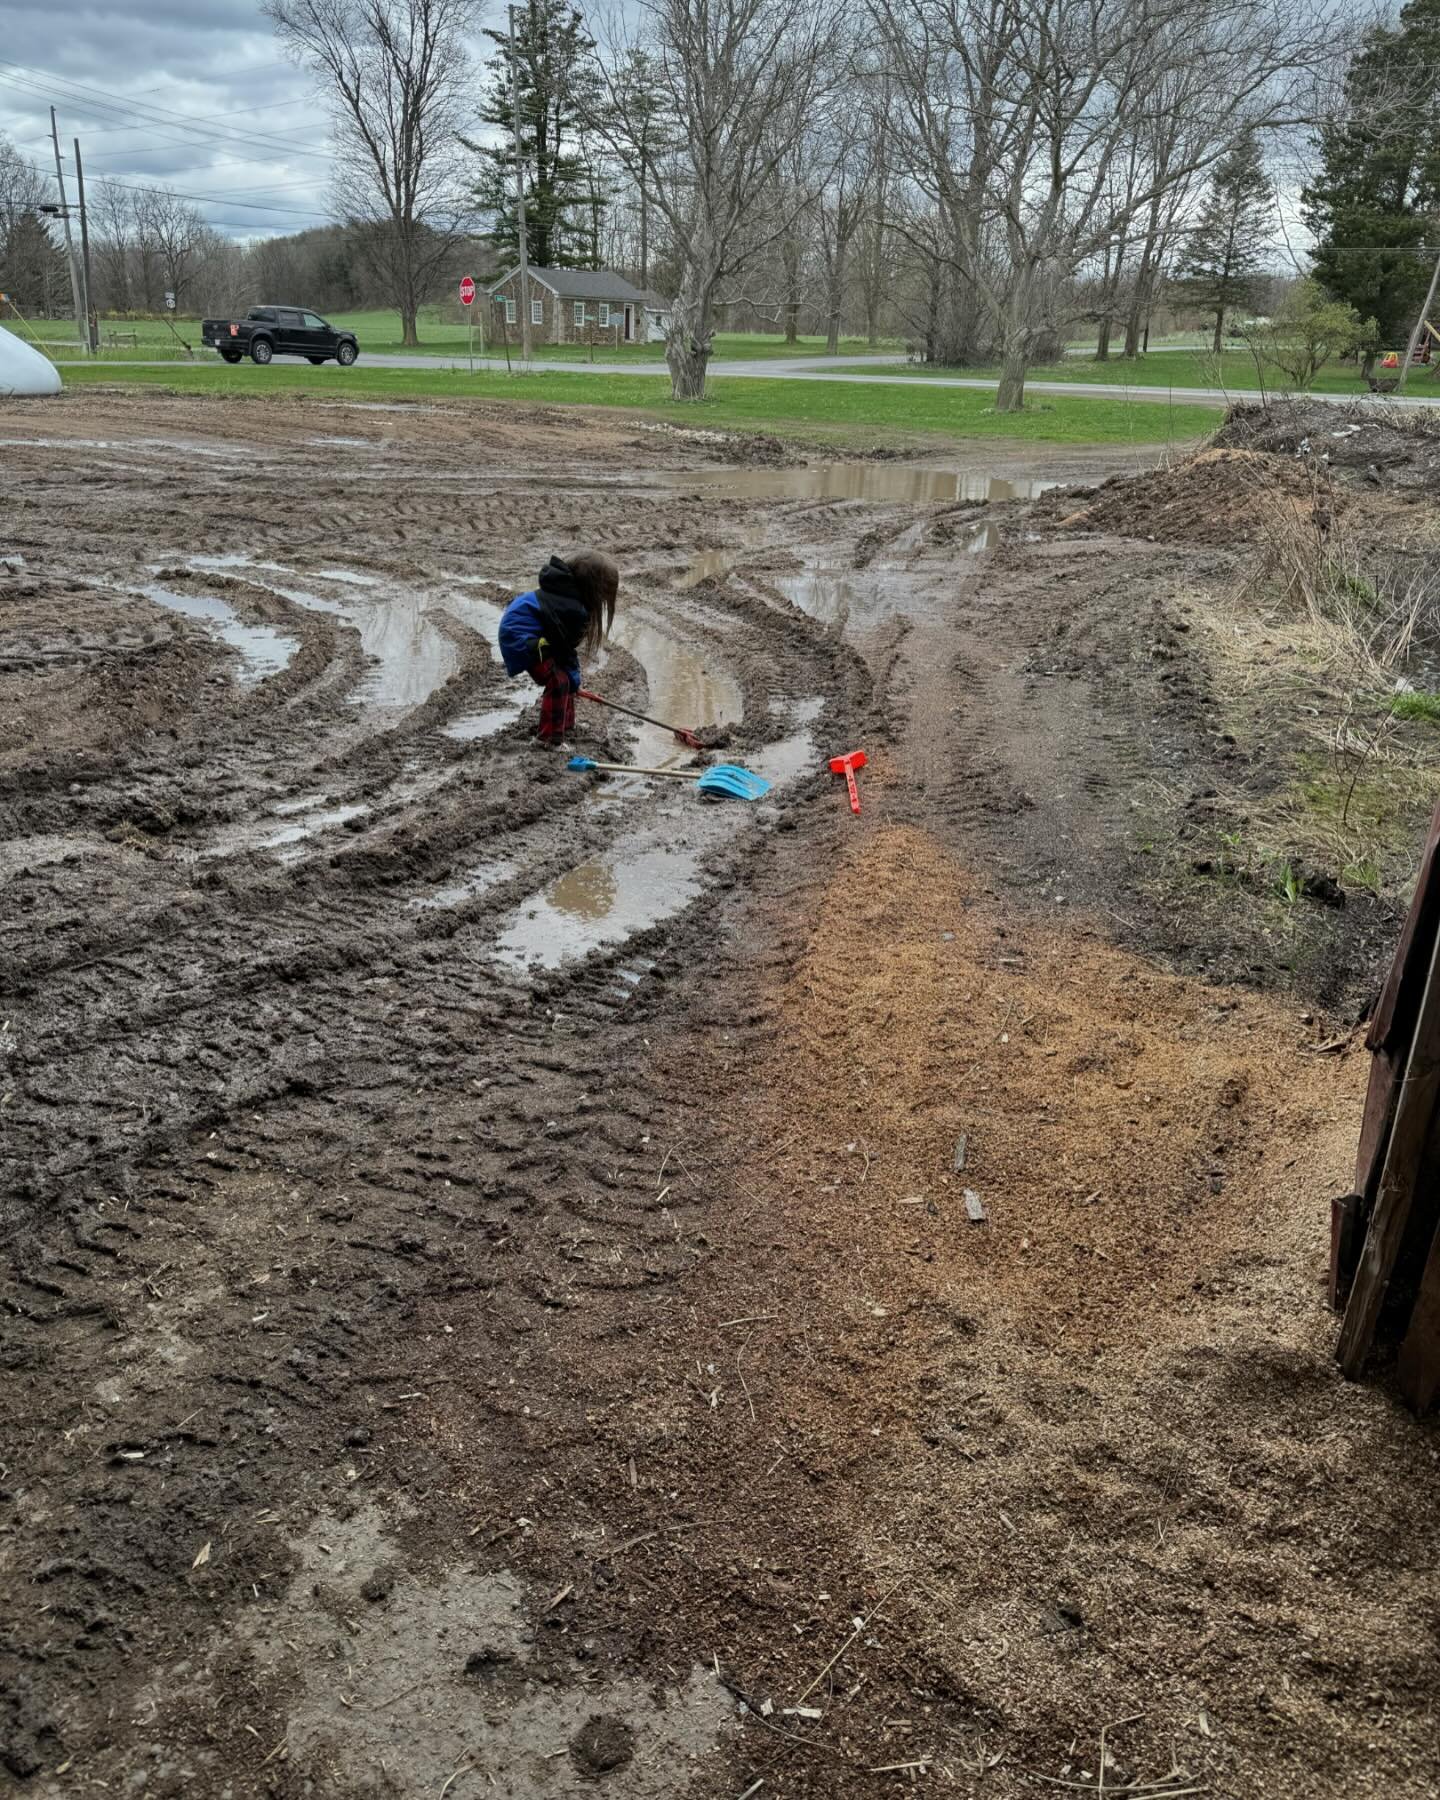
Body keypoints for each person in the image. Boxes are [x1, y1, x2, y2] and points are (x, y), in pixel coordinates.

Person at [498, 551, 619, 744]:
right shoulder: (570, 609)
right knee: (559, 680)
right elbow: (564, 649)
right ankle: (548, 739)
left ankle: (565, 725)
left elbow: (564, 650)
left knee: (565, 678)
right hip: (521, 640)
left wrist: (574, 681)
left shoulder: (565, 596)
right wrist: (574, 681)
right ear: (592, 589)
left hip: (530, 635)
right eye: (603, 595)